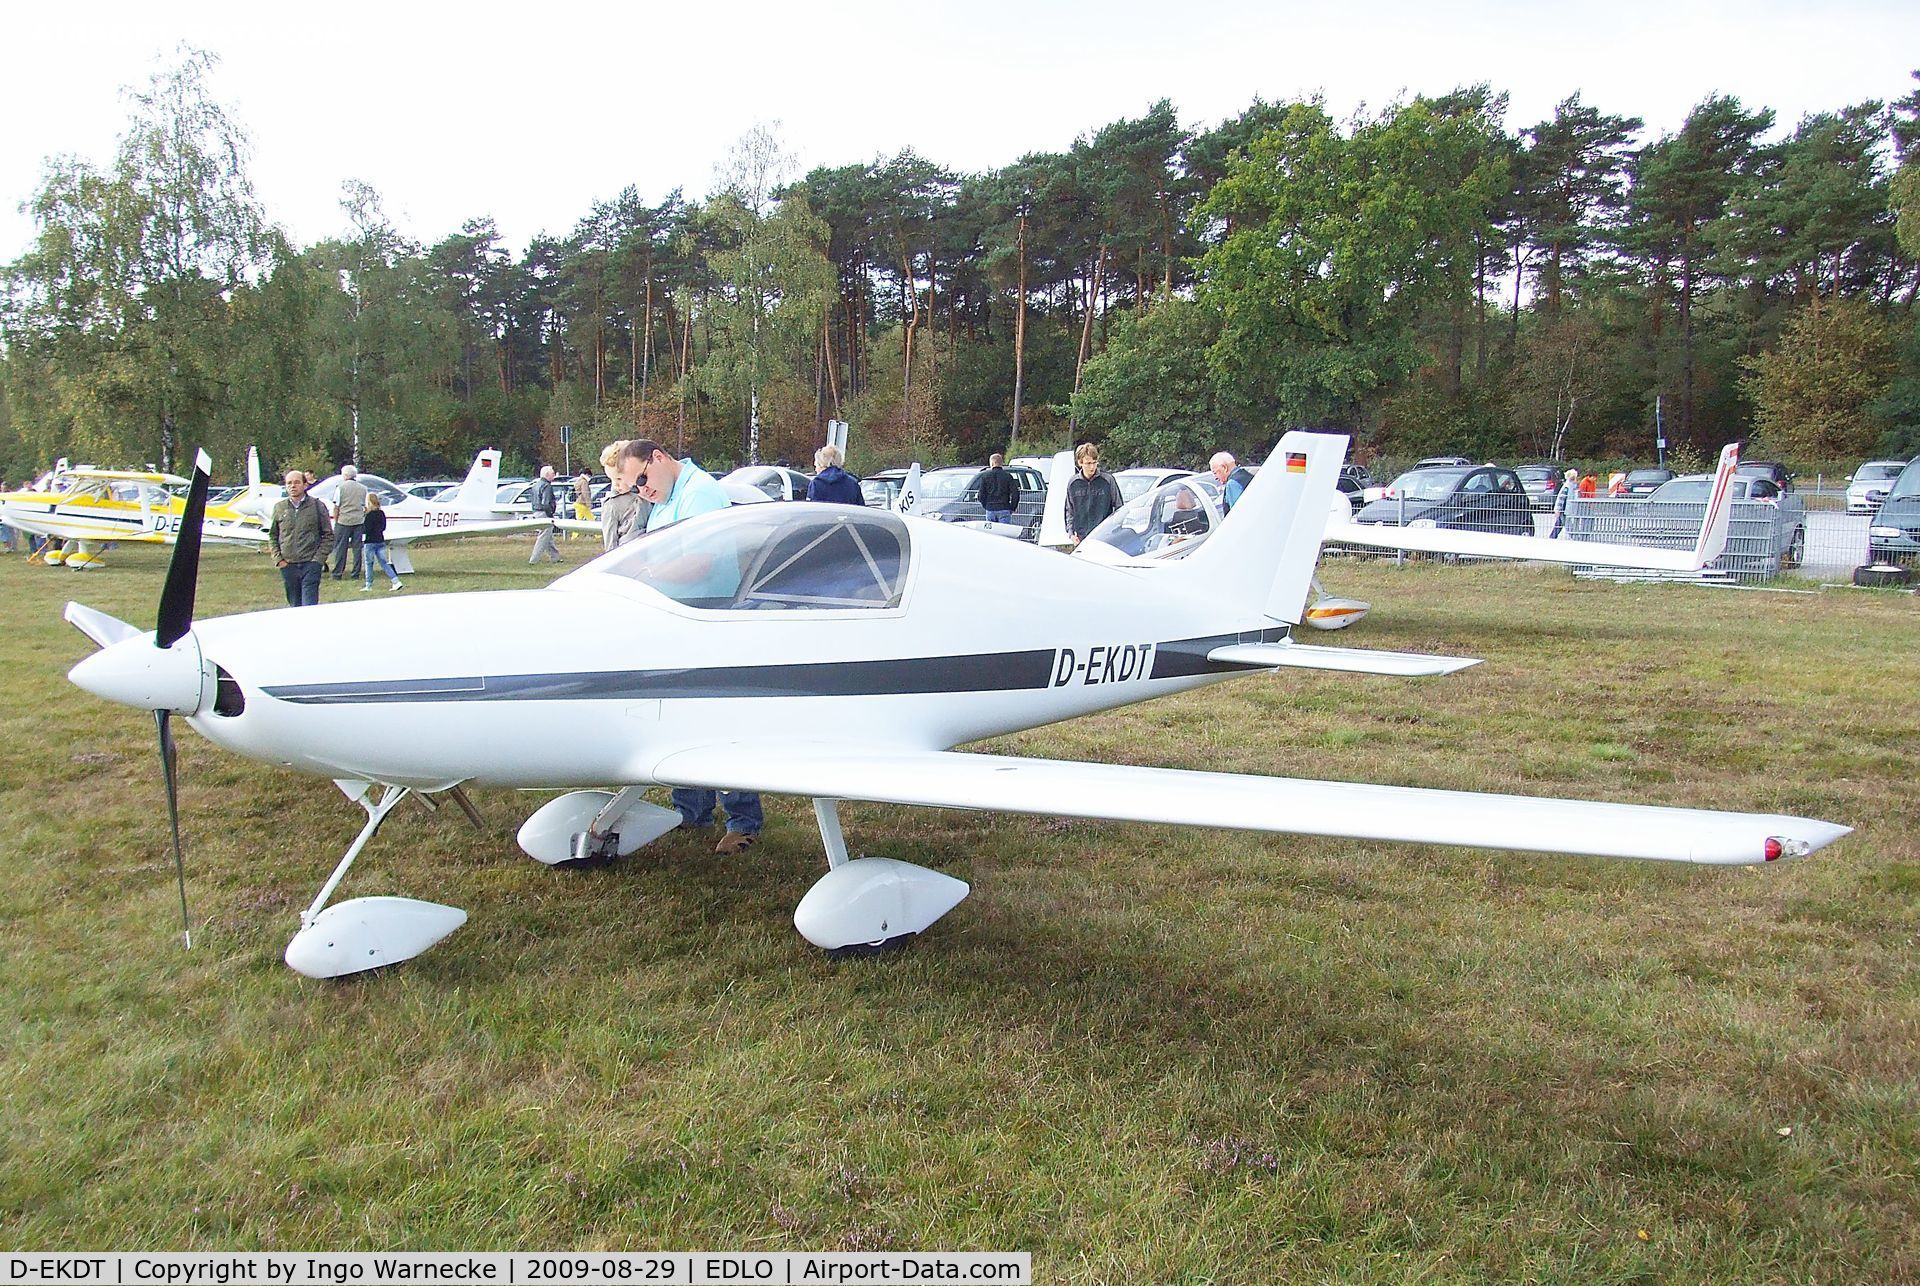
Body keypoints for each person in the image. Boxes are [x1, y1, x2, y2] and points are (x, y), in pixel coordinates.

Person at [616, 438, 762, 854]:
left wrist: (642, 574)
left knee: (718, 724)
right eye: (634, 489)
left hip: (710, 623)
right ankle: (691, 812)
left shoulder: (699, 493)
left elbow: (702, 562)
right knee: (678, 720)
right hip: (680, 623)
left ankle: (743, 822)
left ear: (658, 458)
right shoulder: (665, 498)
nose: (642, 492)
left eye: (642, 480)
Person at [269, 469, 332, 606]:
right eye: (289, 483)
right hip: (288, 565)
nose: (293, 486)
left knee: (309, 605)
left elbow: (328, 535)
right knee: (294, 606)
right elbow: (273, 535)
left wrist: (318, 560)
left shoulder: (317, 506)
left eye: (297, 482)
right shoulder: (279, 508)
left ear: (305, 485)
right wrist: (278, 559)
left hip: (310, 564)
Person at [1065, 443, 1123, 545]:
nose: (1092, 467)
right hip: (1082, 537)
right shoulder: (1073, 483)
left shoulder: (1108, 480)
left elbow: (1119, 507)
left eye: (1094, 462)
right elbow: (1069, 510)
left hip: (1105, 536)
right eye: (1088, 463)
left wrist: (1115, 529)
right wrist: (1071, 534)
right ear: (1080, 463)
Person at [328, 464, 368, 580]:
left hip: (343, 521)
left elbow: (337, 506)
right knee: (357, 549)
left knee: (340, 548)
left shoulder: (340, 488)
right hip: (358, 521)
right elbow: (365, 506)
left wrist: (336, 520)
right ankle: (355, 573)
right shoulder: (363, 488)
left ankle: (337, 573)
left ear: (345, 475)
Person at [360, 492, 403, 592]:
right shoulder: (381, 513)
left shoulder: (369, 515)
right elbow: (383, 527)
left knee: (369, 563)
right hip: (380, 540)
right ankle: (396, 581)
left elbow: (366, 530)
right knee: (384, 563)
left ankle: (369, 585)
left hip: (370, 542)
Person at [528, 464, 562, 564]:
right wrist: (550, 514)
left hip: (536, 512)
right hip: (544, 513)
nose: (554, 475)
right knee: (543, 537)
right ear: (547, 475)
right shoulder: (547, 486)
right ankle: (534, 559)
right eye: (552, 473)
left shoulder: (535, 485)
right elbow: (546, 503)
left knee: (548, 537)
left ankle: (555, 557)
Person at [975, 452, 1020, 524]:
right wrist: (1012, 508)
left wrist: (985, 505)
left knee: (991, 533)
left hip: (990, 508)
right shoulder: (1007, 476)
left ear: (992, 463)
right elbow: (1015, 493)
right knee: (1003, 533)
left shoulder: (985, 476)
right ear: (1001, 463)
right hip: (1004, 508)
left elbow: (981, 495)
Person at [1549, 467, 1579, 538]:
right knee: (1565, 524)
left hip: (1566, 509)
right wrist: (1558, 510)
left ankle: (1552, 537)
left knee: (1560, 524)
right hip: (1564, 509)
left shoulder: (1569, 486)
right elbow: (1561, 499)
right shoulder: (1567, 487)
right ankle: (1574, 537)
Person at [569, 471, 594, 538]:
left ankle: (574, 537)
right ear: (586, 474)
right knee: (591, 519)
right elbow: (585, 494)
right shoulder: (584, 482)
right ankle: (598, 535)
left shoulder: (578, 481)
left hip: (577, 503)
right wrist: (589, 504)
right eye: (589, 475)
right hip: (582, 504)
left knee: (579, 521)